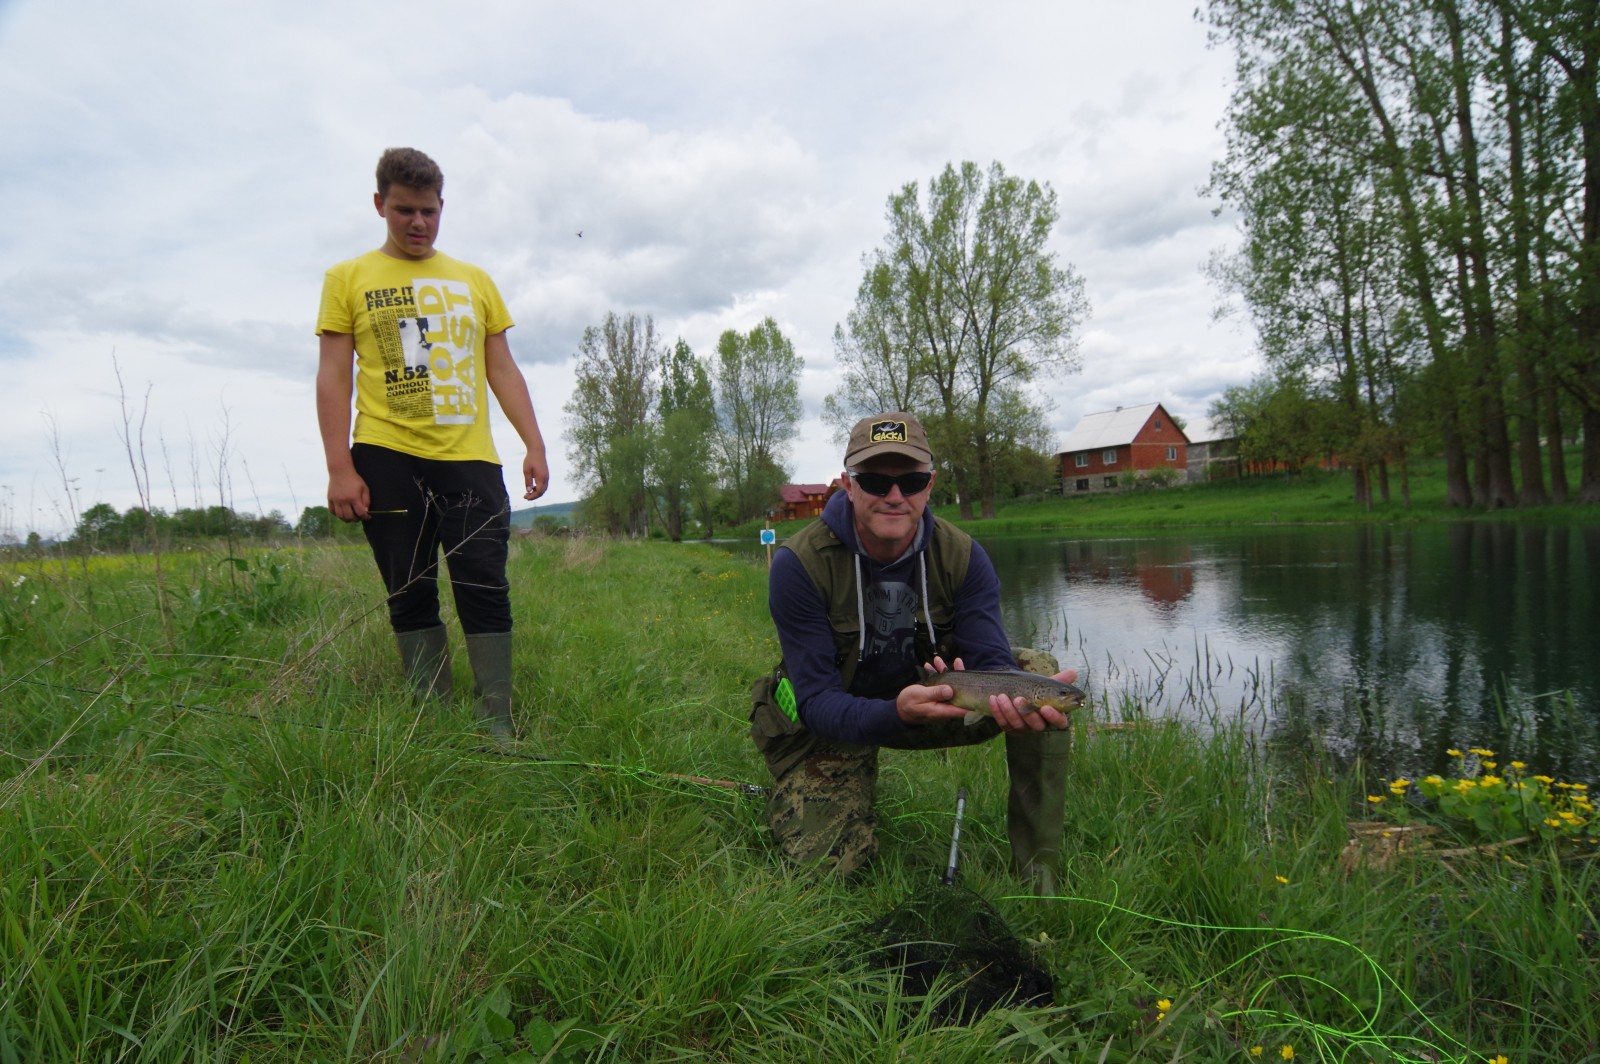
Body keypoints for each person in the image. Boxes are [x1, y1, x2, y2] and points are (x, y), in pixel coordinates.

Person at [750, 411, 1074, 890]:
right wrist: (894, 713)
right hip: (836, 719)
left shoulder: (964, 556)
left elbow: (992, 658)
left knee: (1038, 675)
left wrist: (1006, 695)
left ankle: (1039, 872)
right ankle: (831, 793)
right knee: (830, 870)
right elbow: (815, 701)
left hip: (942, 703)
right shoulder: (799, 564)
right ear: (848, 485)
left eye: (912, 481)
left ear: (930, 485)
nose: (895, 496)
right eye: (875, 481)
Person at [315, 147, 549, 738]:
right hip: (385, 455)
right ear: (379, 205)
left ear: (442, 207)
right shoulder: (348, 278)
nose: (418, 223)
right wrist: (340, 467)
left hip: (469, 459)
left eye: (429, 211)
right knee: (409, 587)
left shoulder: (475, 281)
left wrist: (534, 444)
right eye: (404, 211)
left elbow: (502, 369)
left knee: (484, 584)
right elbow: (334, 376)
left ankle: (497, 720)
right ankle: (433, 718)